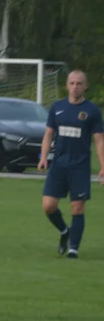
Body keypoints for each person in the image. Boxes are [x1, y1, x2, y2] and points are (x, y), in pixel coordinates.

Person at [38, 70, 104, 259]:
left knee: (77, 207)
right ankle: (64, 231)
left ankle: (73, 249)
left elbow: (99, 140)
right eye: (72, 83)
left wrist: (103, 165)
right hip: (59, 164)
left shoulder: (92, 111)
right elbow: (49, 134)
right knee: (48, 206)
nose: (75, 87)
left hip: (80, 166)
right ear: (67, 85)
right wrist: (44, 156)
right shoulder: (57, 107)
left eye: (79, 84)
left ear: (85, 86)